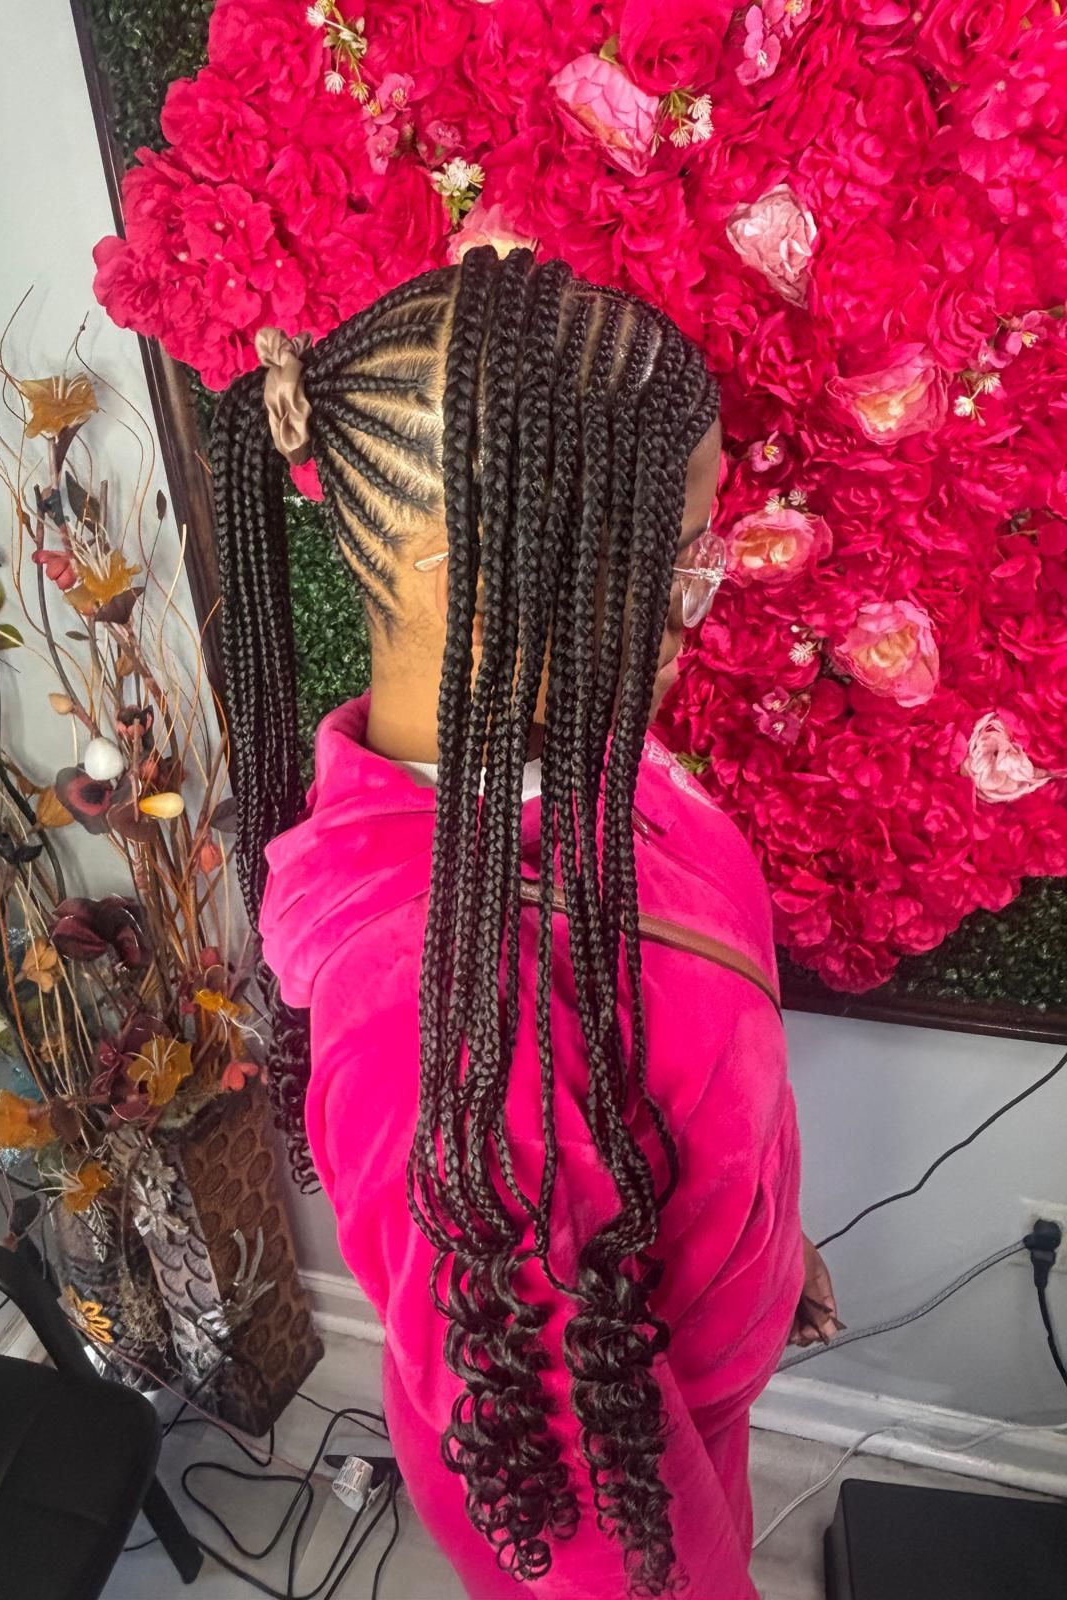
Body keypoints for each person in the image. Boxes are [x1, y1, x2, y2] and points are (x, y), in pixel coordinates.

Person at [211, 247, 837, 1600]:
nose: (701, 607)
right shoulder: (430, 1023)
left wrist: (769, 1235)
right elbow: (580, 1513)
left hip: (686, 1360)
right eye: (671, 562)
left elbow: (687, 1077)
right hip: (636, 1492)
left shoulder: (592, 757)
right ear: (461, 577)